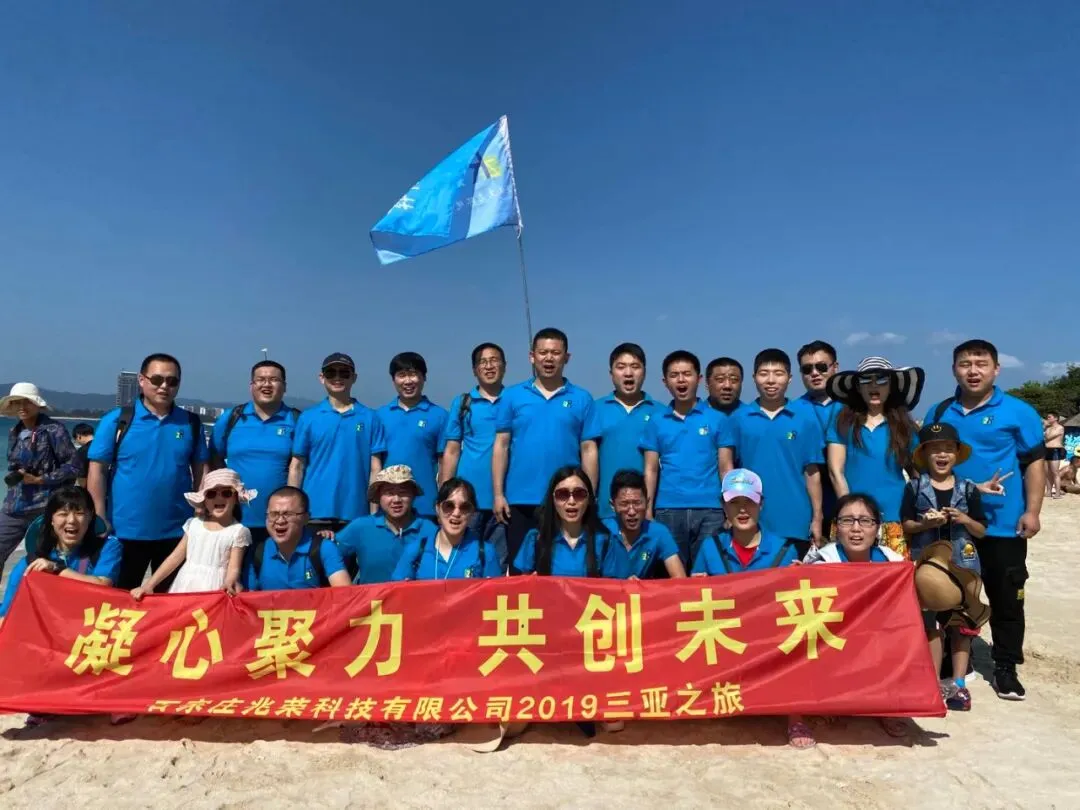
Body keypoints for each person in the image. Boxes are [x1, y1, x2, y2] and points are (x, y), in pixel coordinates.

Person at [922, 339, 1044, 701]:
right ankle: (957, 661)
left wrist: (1033, 510)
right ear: (954, 370)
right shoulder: (939, 411)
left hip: (1004, 524)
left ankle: (1006, 667)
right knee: (951, 593)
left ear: (996, 369)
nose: (973, 371)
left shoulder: (1019, 412)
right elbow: (924, 463)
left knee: (1007, 597)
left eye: (981, 364)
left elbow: (1034, 464)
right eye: (965, 364)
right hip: (953, 525)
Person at [688, 469, 810, 749]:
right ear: (723, 506)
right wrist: (696, 585)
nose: (742, 510)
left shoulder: (785, 549)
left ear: (761, 504)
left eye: (749, 502)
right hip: (727, 636)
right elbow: (693, 598)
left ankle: (795, 715)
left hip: (768, 637)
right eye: (734, 502)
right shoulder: (710, 546)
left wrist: (802, 581)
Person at [0, 486, 124, 728]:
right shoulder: (31, 562)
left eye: (79, 513)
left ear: (91, 517)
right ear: (51, 520)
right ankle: (44, 698)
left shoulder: (107, 547)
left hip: (93, 630)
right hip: (54, 635)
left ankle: (112, 697)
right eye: (63, 513)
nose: (71, 520)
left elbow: (103, 585)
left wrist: (57, 569)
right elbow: (7, 612)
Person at [87, 354, 208, 591]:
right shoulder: (117, 421)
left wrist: (201, 511)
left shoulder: (190, 423)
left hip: (177, 532)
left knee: (169, 602)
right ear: (142, 380)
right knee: (120, 600)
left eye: (172, 381)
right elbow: (97, 470)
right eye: (157, 379)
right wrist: (99, 517)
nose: (164, 386)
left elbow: (201, 470)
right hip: (124, 531)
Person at [901, 422, 988, 712]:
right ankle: (933, 682)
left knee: (963, 623)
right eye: (935, 449)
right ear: (924, 455)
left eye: (948, 449)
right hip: (927, 564)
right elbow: (907, 525)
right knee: (931, 623)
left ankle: (959, 683)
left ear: (956, 454)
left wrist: (964, 519)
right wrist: (924, 523)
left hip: (964, 563)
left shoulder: (968, 488)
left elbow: (981, 530)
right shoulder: (914, 487)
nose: (942, 455)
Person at [810, 492, 909, 738]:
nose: (856, 529)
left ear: (877, 527)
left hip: (878, 641)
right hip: (836, 640)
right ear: (836, 527)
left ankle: (889, 705)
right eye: (847, 521)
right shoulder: (822, 562)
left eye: (865, 521)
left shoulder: (893, 562)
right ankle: (829, 699)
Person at [493, 328, 593, 568]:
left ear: (566, 357)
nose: (549, 358)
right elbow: (501, 445)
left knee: (561, 568)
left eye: (556, 353)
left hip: (566, 500)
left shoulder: (582, 398)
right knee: (521, 571)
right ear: (532, 356)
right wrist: (498, 494)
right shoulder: (512, 396)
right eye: (543, 352)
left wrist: (589, 494)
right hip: (520, 500)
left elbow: (589, 449)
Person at [719, 349, 825, 560]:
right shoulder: (738, 418)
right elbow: (726, 466)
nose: (771, 380)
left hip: (795, 519)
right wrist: (730, 510)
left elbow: (812, 473)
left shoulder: (805, 418)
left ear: (789, 378)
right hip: (751, 518)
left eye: (778, 373)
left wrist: (817, 517)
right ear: (754, 378)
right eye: (764, 373)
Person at [825, 357, 924, 558]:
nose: (874, 385)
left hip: (894, 519)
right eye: (866, 380)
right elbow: (836, 471)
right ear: (858, 387)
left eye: (881, 380)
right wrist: (850, 513)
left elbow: (917, 474)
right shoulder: (842, 423)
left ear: (891, 385)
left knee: (894, 574)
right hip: (852, 523)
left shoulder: (904, 427)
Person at [640, 350, 726, 568]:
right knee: (671, 575)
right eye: (674, 375)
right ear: (665, 382)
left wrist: (729, 508)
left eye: (687, 374)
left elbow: (726, 467)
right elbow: (650, 469)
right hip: (668, 509)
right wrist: (647, 510)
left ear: (699, 379)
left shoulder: (718, 419)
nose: (681, 380)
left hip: (711, 509)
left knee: (707, 573)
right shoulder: (656, 421)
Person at [289, 353, 386, 533]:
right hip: (314, 512)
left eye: (344, 373)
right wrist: (292, 510)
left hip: (356, 512)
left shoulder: (371, 417)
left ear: (354, 378)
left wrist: (374, 515)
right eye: (331, 373)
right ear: (321, 377)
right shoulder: (308, 417)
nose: (337, 377)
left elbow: (375, 469)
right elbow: (297, 466)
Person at [209, 361, 300, 545]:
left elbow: (301, 467)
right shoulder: (232, 418)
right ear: (251, 385)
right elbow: (214, 457)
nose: (266, 384)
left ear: (284, 386)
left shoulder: (297, 420)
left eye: (274, 379)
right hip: (234, 520)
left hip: (280, 523)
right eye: (260, 379)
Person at [130, 469, 254, 599]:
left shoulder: (238, 531)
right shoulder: (194, 524)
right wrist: (149, 585)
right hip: (184, 585)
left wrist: (229, 582)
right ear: (204, 500)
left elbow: (234, 568)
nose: (219, 498)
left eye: (226, 493)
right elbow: (174, 558)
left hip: (216, 589)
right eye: (211, 494)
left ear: (236, 498)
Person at [0, 383, 80, 578]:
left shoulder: (54, 430)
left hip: (45, 507)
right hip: (14, 506)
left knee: (42, 561)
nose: (22, 407)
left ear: (37, 404)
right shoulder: (15, 432)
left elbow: (74, 466)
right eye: (16, 402)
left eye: (27, 402)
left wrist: (40, 479)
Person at [440, 343, 508, 567]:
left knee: (497, 563)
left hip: (504, 499)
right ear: (474, 369)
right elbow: (452, 450)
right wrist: (445, 494)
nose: (489, 366)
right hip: (467, 500)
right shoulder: (462, 403)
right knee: (463, 561)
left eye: (494, 360)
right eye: (483, 362)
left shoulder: (514, 400)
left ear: (504, 366)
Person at [581, 343, 660, 521]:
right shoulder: (595, 409)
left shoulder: (660, 412)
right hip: (604, 512)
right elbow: (588, 454)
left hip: (646, 512)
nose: (628, 373)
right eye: (621, 367)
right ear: (611, 373)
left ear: (644, 372)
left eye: (635, 366)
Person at [333, 465, 437, 584]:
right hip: (371, 596)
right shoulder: (361, 526)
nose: (396, 499)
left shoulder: (430, 530)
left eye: (403, 492)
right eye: (389, 493)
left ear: (413, 496)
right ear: (378, 497)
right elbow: (329, 547)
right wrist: (341, 582)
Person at [512, 466, 620, 577]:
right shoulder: (536, 539)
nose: (571, 501)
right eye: (562, 494)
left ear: (589, 499)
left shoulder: (604, 541)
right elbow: (522, 583)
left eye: (579, 494)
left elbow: (611, 585)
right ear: (552, 499)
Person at [377, 352, 448, 519]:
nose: (408, 381)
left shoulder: (440, 416)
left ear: (424, 377)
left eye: (413, 374)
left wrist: (443, 500)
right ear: (393, 379)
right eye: (401, 375)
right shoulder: (379, 416)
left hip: (426, 506)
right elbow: (375, 463)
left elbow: (444, 464)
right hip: (387, 505)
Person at [244, 486, 352, 590]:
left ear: (306, 518)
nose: (280, 521)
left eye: (288, 514)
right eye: (273, 514)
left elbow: (344, 594)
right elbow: (247, 598)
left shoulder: (323, 548)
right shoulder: (257, 553)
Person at [392, 478, 502, 580]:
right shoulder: (416, 551)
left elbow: (496, 593)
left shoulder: (485, 552)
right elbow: (396, 591)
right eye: (449, 506)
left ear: (472, 512)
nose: (456, 513)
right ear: (437, 508)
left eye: (464, 507)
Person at [604, 470, 686, 579]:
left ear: (647, 503)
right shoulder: (601, 532)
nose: (632, 512)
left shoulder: (658, 532)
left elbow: (679, 578)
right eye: (624, 504)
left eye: (637, 503)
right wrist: (622, 585)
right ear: (612, 505)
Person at [794, 341, 842, 525]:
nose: (814, 373)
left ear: (835, 367)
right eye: (807, 369)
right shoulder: (792, 411)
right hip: (807, 507)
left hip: (850, 500)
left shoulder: (854, 407)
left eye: (821, 367)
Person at [1043, 413, 1066, 498]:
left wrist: (1045, 428)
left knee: (1055, 472)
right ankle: (1048, 491)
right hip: (1046, 450)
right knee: (1047, 473)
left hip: (1055, 450)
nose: (1048, 419)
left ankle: (1058, 493)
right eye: (1047, 417)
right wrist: (1044, 427)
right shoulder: (1048, 428)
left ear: (1056, 418)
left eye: (1049, 417)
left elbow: (1048, 437)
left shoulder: (1060, 428)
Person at [72, 423, 95, 487]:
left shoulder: (82, 451)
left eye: (76, 439)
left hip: (90, 487)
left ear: (79, 436)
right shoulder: (104, 447)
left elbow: (82, 478)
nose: (77, 442)